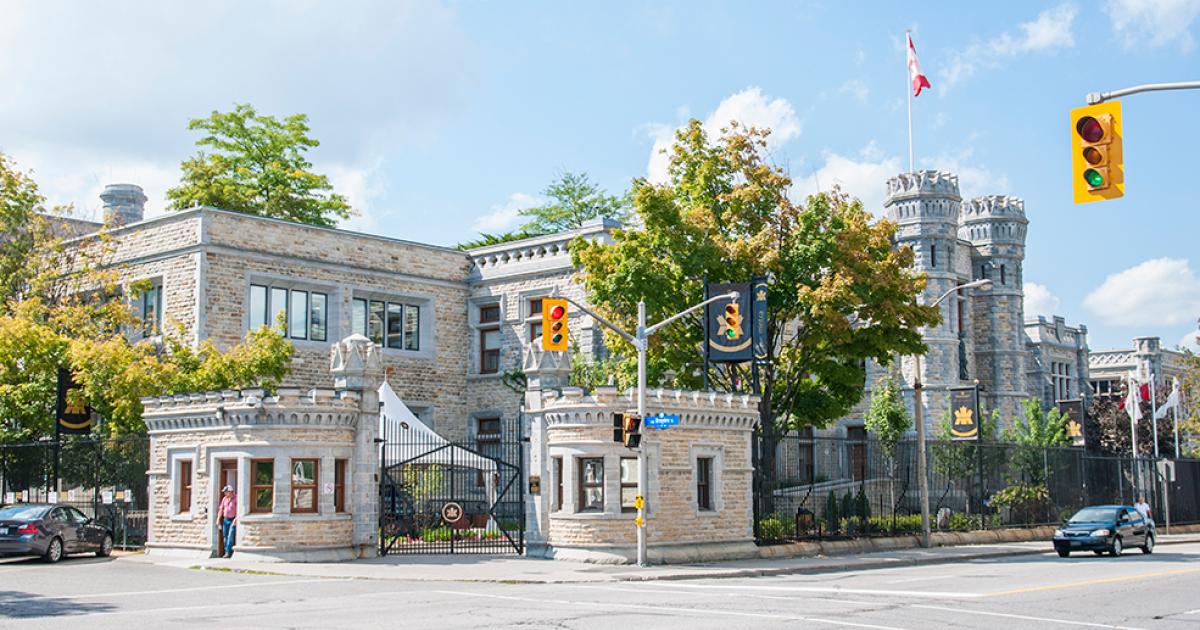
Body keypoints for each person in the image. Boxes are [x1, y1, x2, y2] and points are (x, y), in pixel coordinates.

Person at [219, 485, 237, 558]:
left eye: (226, 492)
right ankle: (227, 551)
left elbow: (238, 510)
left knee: (230, 536)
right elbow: (221, 509)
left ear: (230, 492)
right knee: (225, 536)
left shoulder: (236, 499)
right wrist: (218, 519)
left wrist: (236, 519)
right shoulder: (224, 499)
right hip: (225, 519)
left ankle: (228, 552)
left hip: (233, 519)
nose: (225, 493)